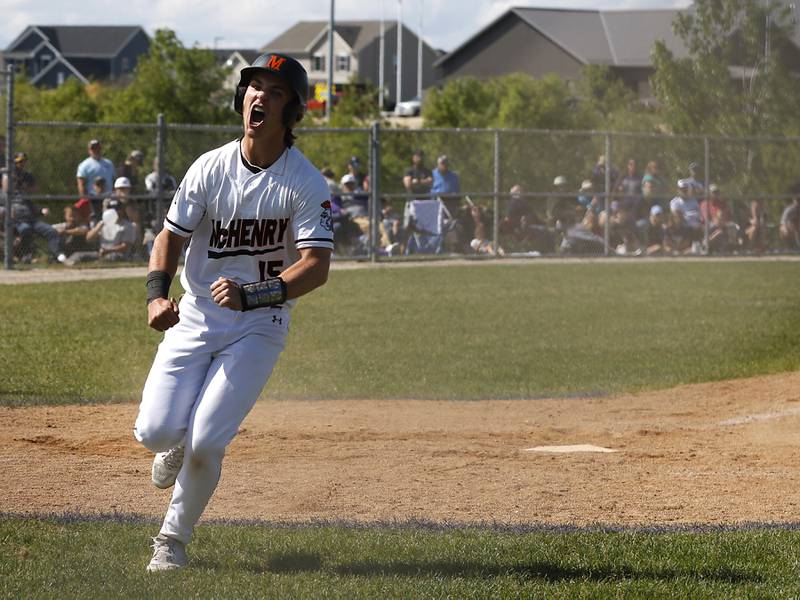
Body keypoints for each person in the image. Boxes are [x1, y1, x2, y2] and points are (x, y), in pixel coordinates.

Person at [132, 53, 333, 572]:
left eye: (275, 91)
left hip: (259, 325)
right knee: (155, 432)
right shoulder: (210, 166)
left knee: (207, 440)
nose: (259, 96)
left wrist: (257, 295)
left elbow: (315, 266)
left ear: (291, 112)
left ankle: (172, 540)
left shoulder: (304, 181)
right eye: (253, 87)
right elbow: (170, 237)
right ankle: (171, 446)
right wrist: (157, 294)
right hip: (196, 313)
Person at [2, 152, 66, 264]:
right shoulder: (5, 195)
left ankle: (58, 255)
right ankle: (26, 256)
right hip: (17, 221)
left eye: (23, 162)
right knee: (25, 229)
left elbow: (33, 198)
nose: (21, 164)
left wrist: (41, 210)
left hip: (32, 219)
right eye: (18, 162)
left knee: (51, 231)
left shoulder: (25, 190)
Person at [779, 182, 800, 250]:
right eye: (797, 200)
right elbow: (783, 222)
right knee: (788, 231)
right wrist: (786, 228)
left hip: (796, 227)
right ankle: (789, 249)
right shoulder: (790, 209)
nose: (798, 202)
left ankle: (796, 248)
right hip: (787, 227)